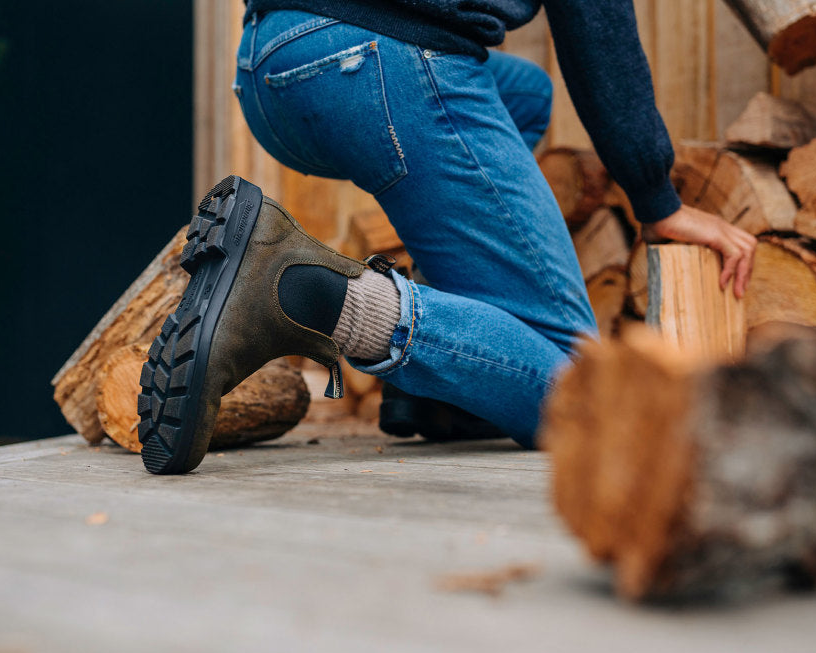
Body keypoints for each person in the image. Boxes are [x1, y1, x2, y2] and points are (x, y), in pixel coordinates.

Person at [136, 1, 756, 474]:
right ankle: (311, 294)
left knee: (527, 96)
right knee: (575, 380)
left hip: (270, 60)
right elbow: (595, 20)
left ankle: (446, 395)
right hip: (378, 59)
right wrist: (656, 198)